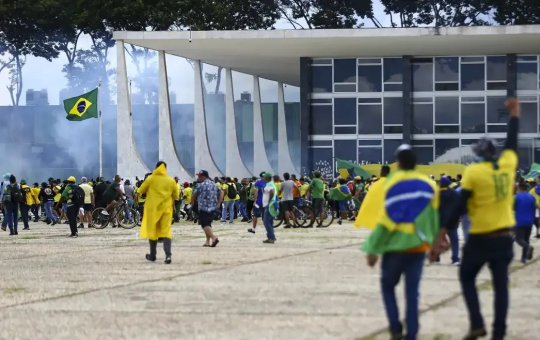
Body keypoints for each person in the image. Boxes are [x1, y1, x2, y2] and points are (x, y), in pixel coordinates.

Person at [432, 98, 520, 340]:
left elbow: (459, 205)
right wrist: (515, 115)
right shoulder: (507, 166)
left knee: (467, 277)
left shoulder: (474, 172)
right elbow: (512, 143)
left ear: (480, 154)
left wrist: (442, 232)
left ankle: (477, 323)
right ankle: (498, 334)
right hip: (505, 238)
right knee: (501, 287)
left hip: (481, 238)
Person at [363, 145, 439, 340]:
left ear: (398, 163)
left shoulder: (390, 184)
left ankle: (396, 328)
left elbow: (385, 220)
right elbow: (432, 219)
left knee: (387, 286)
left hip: (394, 248)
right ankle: (411, 334)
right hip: (418, 247)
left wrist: (372, 249)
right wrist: (434, 245)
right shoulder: (429, 185)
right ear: (415, 162)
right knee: (412, 293)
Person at [138, 161, 180, 264]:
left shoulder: (151, 178)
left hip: (153, 210)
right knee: (166, 232)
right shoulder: (171, 180)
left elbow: (141, 190)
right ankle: (168, 256)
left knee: (152, 232)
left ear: (156, 167)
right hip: (166, 210)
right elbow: (176, 196)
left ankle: (152, 255)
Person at [355, 165, 390, 230]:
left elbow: (367, 202)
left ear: (381, 173)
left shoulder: (375, 185)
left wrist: (360, 218)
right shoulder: (393, 182)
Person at [193, 170, 223, 247]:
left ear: (204, 176)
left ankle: (214, 238)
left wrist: (192, 203)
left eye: (199, 176)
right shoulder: (214, 184)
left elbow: (194, 194)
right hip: (213, 207)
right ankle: (207, 241)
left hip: (203, 208)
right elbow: (222, 192)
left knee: (204, 225)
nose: (198, 178)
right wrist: (219, 203)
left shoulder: (200, 185)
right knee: (208, 224)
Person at [439, 176, 461, 266]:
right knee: (454, 240)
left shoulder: (436, 194)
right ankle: (455, 258)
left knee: (439, 239)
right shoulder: (455, 194)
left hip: (440, 221)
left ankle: (436, 257)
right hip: (452, 221)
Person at [514, 182, 535, 264]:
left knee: (518, 239)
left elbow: (513, 209)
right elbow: (533, 209)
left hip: (519, 221)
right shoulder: (531, 197)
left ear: (519, 188)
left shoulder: (516, 197)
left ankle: (528, 248)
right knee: (526, 239)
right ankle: (524, 258)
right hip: (529, 222)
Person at [261, 173, 277, 244]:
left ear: (266, 178)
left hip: (269, 205)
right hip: (270, 205)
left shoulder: (269, 184)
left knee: (266, 222)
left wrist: (269, 202)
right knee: (269, 222)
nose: (262, 178)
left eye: (264, 177)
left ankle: (271, 238)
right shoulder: (270, 183)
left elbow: (272, 192)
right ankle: (271, 237)